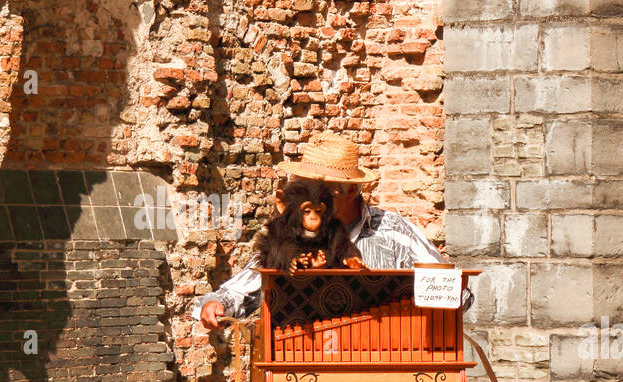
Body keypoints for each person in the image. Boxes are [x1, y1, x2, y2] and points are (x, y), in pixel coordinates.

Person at [191, 132, 461, 327]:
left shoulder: (393, 232)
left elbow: (458, 293)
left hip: (384, 369)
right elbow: (241, 288)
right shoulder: (293, 233)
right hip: (302, 366)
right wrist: (215, 305)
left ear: (353, 190)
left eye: (327, 193)